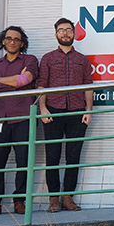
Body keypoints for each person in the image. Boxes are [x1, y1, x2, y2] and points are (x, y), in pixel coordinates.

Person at [0, 26, 38, 217]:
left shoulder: (30, 60)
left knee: (23, 161)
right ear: (3, 41)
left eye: (17, 39)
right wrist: (15, 80)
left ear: (22, 43)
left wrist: (1, 81)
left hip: (23, 117)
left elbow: (25, 80)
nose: (12, 41)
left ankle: (20, 200)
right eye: (9, 38)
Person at [38, 17, 93, 212]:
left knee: (73, 156)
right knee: (52, 156)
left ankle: (68, 197)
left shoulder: (82, 60)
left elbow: (88, 86)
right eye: (61, 30)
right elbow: (42, 84)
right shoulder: (48, 58)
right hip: (53, 111)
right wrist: (42, 109)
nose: (65, 33)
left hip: (77, 112)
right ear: (56, 35)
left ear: (73, 33)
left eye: (68, 30)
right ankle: (53, 199)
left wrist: (88, 111)